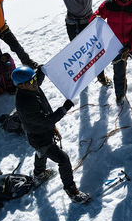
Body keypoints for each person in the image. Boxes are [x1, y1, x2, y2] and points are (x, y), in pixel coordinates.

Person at [12, 66, 91, 204]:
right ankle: (72, 191)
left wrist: (40, 72)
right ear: (22, 85)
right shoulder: (26, 105)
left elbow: (36, 81)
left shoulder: (29, 88)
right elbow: (47, 121)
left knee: (41, 153)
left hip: (40, 135)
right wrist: (64, 108)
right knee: (63, 159)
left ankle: (39, 175)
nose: (35, 82)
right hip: (40, 138)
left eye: (34, 79)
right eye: (31, 81)